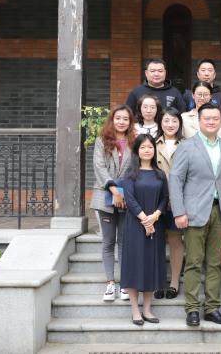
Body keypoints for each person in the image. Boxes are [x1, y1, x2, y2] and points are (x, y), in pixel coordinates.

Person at [169, 103, 221, 326]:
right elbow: (175, 179)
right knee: (194, 262)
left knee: (216, 263)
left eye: (215, 118)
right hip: (193, 212)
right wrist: (179, 211)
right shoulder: (187, 146)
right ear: (199, 121)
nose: (211, 122)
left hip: (220, 212)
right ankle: (192, 309)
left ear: (220, 121)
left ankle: (212, 308)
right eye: (207, 118)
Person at [120, 134, 168, 326]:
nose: (147, 150)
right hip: (135, 225)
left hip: (156, 225)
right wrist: (145, 220)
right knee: (134, 266)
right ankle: (135, 310)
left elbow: (165, 198)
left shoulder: (160, 174)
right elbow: (130, 200)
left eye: (150, 147)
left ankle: (147, 309)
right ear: (137, 151)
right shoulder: (130, 174)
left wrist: (155, 216)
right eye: (143, 147)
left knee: (151, 266)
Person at [90, 105, 135, 302]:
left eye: (125, 119)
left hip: (126, 199)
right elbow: (99, 167)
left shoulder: (134, 142)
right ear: (112, 120)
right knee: (108, 242)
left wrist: (124, 194)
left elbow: (134, 170)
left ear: (130, 122)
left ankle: (124, 283)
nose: (121, 122)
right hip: (105, 197)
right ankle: (110, 283)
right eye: (118, 118)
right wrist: (115, 190)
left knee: (124, 242)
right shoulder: (102, 141)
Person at [154, 107, 185, 299]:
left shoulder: (187, 144)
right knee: (156, 241)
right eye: (166, 120)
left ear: (180, 123)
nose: (170, 124)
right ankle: (157, 281)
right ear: (160, 122)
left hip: (177, 200)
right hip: (155, 200)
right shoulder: (151, 143)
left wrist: (178, 199)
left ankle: (174, 282)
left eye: (174, 120)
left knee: (175, 240)